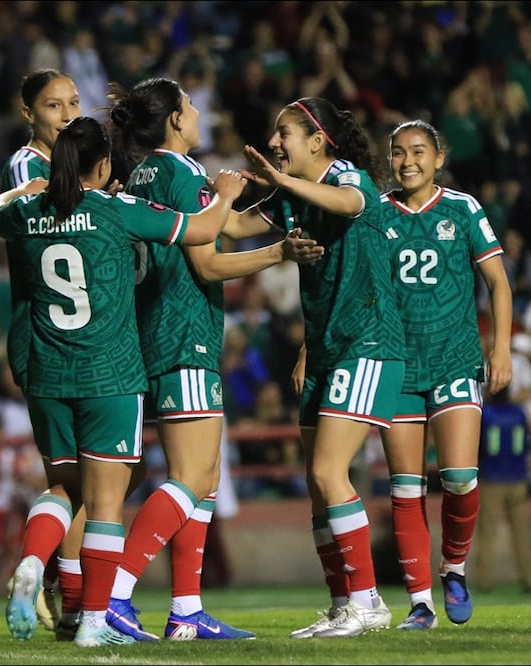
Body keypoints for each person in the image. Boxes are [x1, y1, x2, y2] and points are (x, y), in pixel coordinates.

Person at [0, 115, 248, 647]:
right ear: (103, 165)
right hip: (108, 374)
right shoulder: (115, 209)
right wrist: (223, 195)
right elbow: (200, 231)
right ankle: (95, 624)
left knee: (64, 486)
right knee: (106, 503)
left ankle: (34, 561)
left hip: (47, 375)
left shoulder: (26, 213)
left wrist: (23, 189)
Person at [104, 77, 322, 642]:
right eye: (191, 105)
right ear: (175, 120)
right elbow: (208, 265)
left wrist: (284, 190)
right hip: (184, 333)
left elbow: (231, 225)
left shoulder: (144, 173)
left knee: (199, 480)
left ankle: (186, 611)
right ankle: (117, 595)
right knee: (193, 476)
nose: (199, 113)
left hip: (158, 331)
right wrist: (281, 253)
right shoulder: (181, 172)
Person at [220, 96, 406, 638]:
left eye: (286, 133)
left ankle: (369, 601)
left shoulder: (344, 175)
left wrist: (281, 180)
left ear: (318, 140)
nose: (276, 141)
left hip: (367, 344)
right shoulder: (289, 195)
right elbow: (232, 230)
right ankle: (342, 603)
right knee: (316, 482)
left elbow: (350, 203)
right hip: (324, 349)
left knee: (330, 472)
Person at [377, 119, 514, 629]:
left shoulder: (463, 208)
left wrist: (500, 348)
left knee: (458, 477)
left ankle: (453, 568)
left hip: (454, 358)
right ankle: (419, 603)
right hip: (397, 365)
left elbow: (498, 283)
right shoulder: (376, 213)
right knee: (406, 488)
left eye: (417, 151)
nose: (407, 161)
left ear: (439, 158)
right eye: (397, 153)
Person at [0, 69, 89, 639]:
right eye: (54, 105)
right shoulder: (28, 168)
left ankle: (53, 576)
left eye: (75, 103)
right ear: (28, 113)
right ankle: (69, 591)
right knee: (85, 475)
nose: (68, 113)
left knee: (94, 476)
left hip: (77, 335)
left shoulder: (78, 165)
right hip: (48, 334)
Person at [473, 382, 531, 596]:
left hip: (492, 478)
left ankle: (484, 581)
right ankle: (529, 579)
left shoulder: (486, 414)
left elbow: (479, 446)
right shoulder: (519, 413)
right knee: (522, 534)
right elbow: (528, 446)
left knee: (487, 533)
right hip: (518, 478)